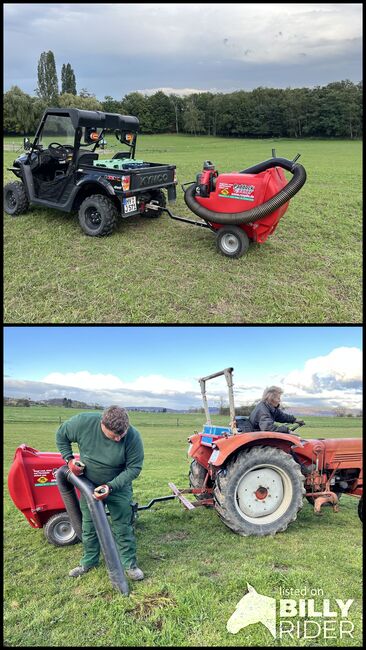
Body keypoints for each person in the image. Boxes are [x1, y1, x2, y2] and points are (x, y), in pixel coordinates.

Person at [55, 405, 144, 580]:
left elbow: (134, 468)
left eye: (122, 434)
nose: (118, 439)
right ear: (102, 424)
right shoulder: (83, 423)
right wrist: (69, 459)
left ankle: (130, 565)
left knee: (123, 526)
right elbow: (61, 435)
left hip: (118, 485)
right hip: (88, 482)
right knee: (89, 525)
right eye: (114, 435)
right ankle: (89, 561)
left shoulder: (132, 436)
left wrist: (110, 487)